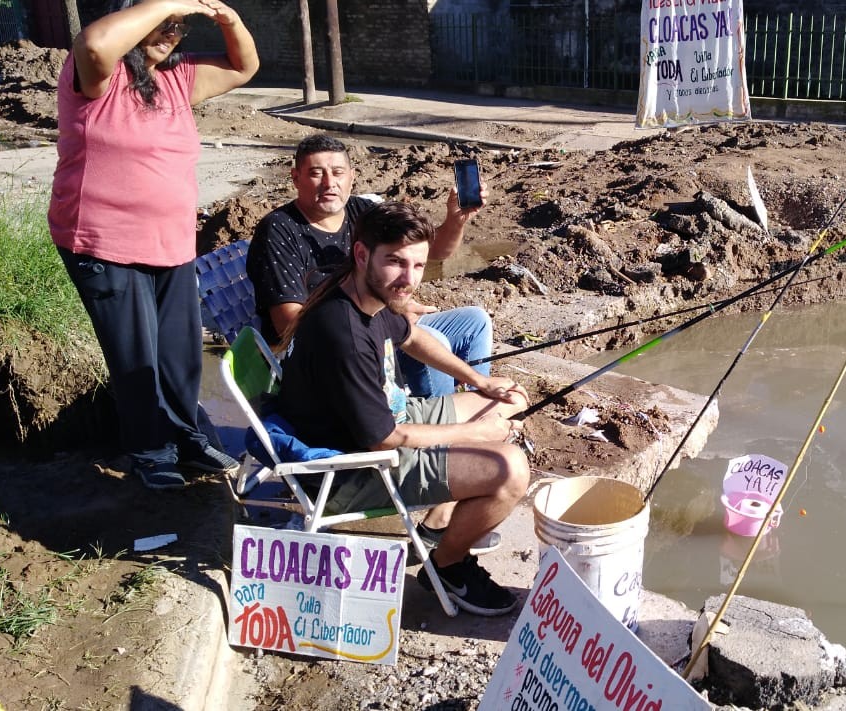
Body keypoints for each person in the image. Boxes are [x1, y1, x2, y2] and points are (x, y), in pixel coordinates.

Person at [273, 200, 529, 616]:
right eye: (395, 262)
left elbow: (410, 335)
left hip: (385, 425)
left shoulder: (366, 295)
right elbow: (386, 437)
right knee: (509, 469)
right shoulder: (344, 333)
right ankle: (447, 566)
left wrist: (481, 381)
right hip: (352, 469)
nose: (408, 279)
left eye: (417, 265)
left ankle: (444, 525)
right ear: (362, 254)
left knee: (507, 402)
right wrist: (473, 436)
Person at [50, 0, 259, 490]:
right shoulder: (95, 76)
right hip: (103, 243)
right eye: (163, 24)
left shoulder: (177, 79)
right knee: (135, 355)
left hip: (170, 243)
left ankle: (187, 438)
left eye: (180, 28)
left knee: (181, 354)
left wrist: (225, 16)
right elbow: (95, 42)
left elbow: (244, 65)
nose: (172, 33)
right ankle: (149, 451)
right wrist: (168, 1)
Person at [247, 134, 493, 398]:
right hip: (332, 345)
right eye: (316, 174)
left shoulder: (363, 211)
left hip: (385, 321)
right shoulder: (279, 229)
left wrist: (456, 220)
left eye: (338, 173)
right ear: (296, 178)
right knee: (436, 341)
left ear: (352, 176)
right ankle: (439, 430)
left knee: (475, 322)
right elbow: (289, 322)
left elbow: (432, 252)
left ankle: (479, 408)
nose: (330, 183)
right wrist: (388, 315)